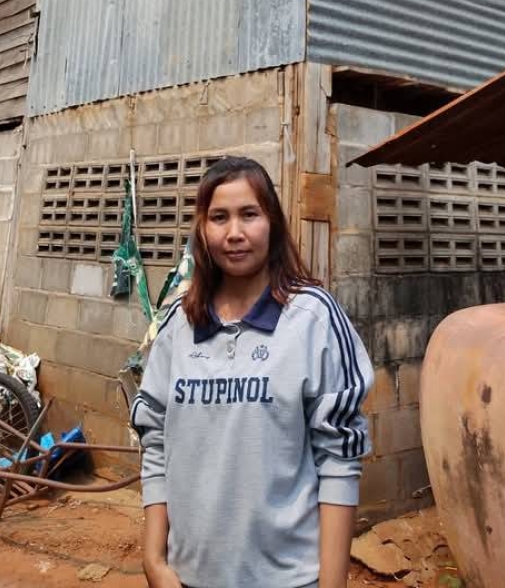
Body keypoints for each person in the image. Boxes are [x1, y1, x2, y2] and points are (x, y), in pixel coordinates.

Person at [131, 155, 374, 588]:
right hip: (186, 578)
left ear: (273, 223)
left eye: (249, 214)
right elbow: (155, 444)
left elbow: (339, 457)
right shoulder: (177, 325)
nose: (234, 233)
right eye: (219, 217)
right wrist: (154, 560)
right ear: (202, 230)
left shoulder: (313, 319)